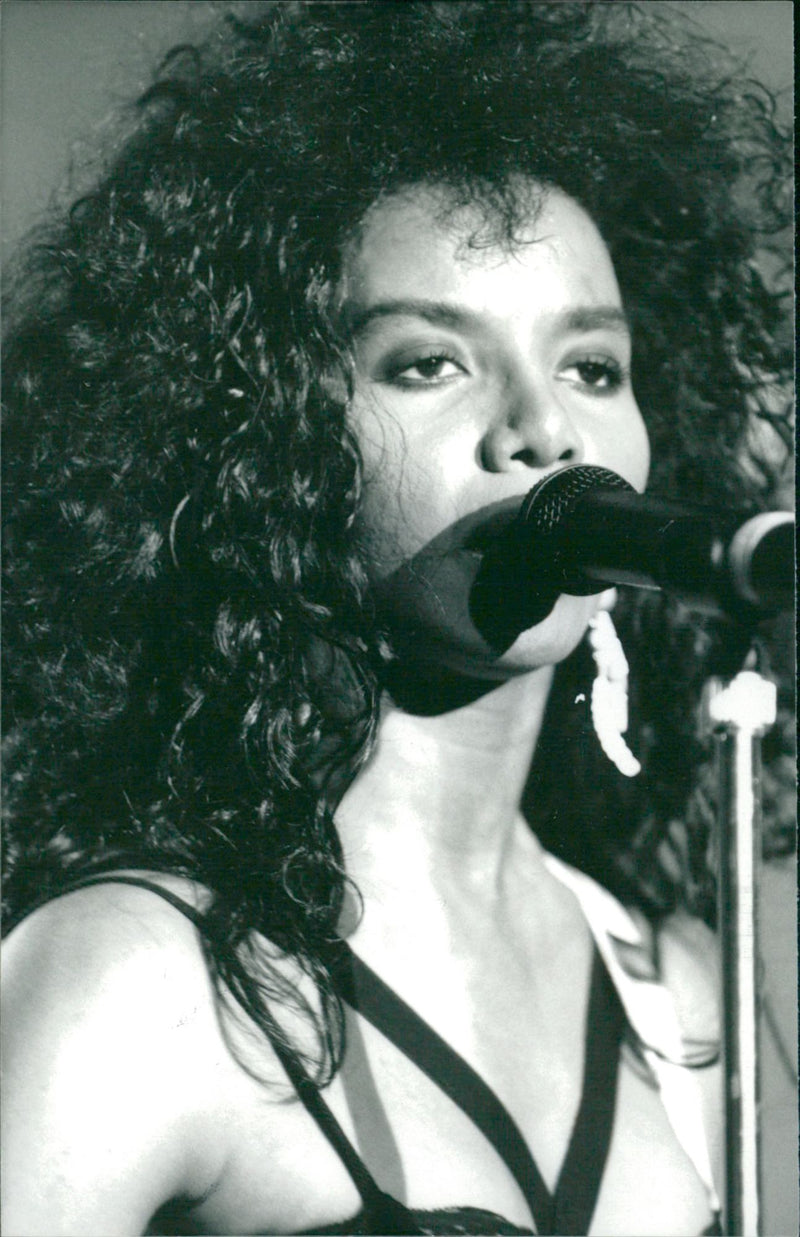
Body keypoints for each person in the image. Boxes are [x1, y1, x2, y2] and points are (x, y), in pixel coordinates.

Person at [2, 3, 793, 1235]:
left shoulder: (675, 994)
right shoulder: (131, 977)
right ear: (259, 441)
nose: (545, 429)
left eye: (591, 366)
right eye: (430, 362)